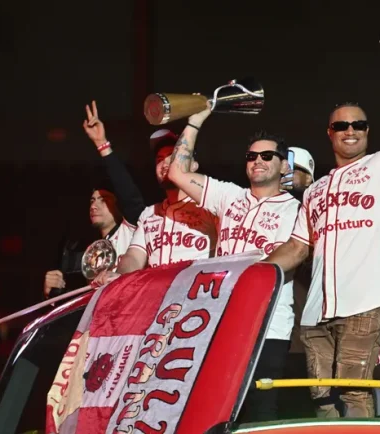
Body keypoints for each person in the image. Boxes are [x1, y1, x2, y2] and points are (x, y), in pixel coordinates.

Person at [264, 47, 380, 418]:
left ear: (367, 131)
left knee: (353, 393)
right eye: (341, 126)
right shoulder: (315, 189)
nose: (350, 131)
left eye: (358, 125)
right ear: (329, 133)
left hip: (365, 305)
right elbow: (298, 247)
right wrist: (256, 273)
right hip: (316, 312)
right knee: (321, 399)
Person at [166, 107, 312, 421]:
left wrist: (247, 279)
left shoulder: (296, 209)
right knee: (215, 409)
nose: (258, 161)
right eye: (251, 156)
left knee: (260, 411)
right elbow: (176, 173)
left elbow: (296, 252)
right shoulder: (229, 196)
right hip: (220, 319)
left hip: (268, 325)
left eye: (267, 156)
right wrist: (195, 122)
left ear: (284, 164)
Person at [93, 129, 218, 285]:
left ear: (193, 165)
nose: (164, 163)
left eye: (173, 156)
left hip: (196, 293)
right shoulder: (149, 214)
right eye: (159, 159)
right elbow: (134, 257)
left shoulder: (212, 207)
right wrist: (119, 275)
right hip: (157, 295)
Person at [44, 101, 143, 297]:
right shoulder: (89, 253)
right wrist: (51, 294)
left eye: (103, 199)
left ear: (119, 205)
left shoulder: (132, 229)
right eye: (92, 200)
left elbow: (128, 193)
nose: (94, 205)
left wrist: (102, 144)